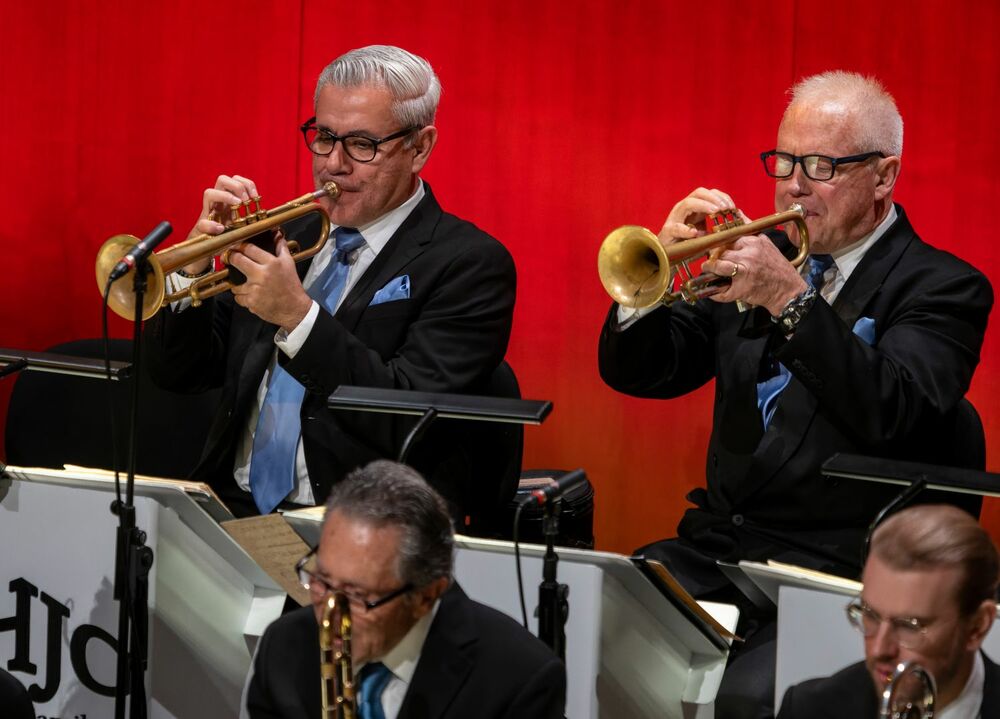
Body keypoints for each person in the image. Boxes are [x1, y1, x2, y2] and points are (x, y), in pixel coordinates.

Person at [598, 70, 993, 717]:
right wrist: (653, 285)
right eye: (783, 161)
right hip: (715, 549)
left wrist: (788, 297)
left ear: (884, 175)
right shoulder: (761, 253)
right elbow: (644, 373)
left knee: (748, 700)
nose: (792, 185)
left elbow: (895, 409)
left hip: (836, 567)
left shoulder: (944, 287)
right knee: (578, 631)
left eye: (820, 165)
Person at [143, 45, 517, 524]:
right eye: (324, 137)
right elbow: (180, 374)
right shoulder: (286, 239)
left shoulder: (470, 265)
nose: (333, 164)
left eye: (362, 144)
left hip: (359, 533)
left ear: (419, 147)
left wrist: (298, 319)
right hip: (229, 510)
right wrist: (191, 267)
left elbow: (408, 416)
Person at [242, 460, 566, 719]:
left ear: (426, 595)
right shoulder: (284, 647)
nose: (330, 611)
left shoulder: (519, 680)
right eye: (321, 580)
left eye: (357, 596)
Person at [777, 504, 1000, 717]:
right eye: (870, 615)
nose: (879, 650)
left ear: (977, 627)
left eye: (908, 626)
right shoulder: (811, 710)